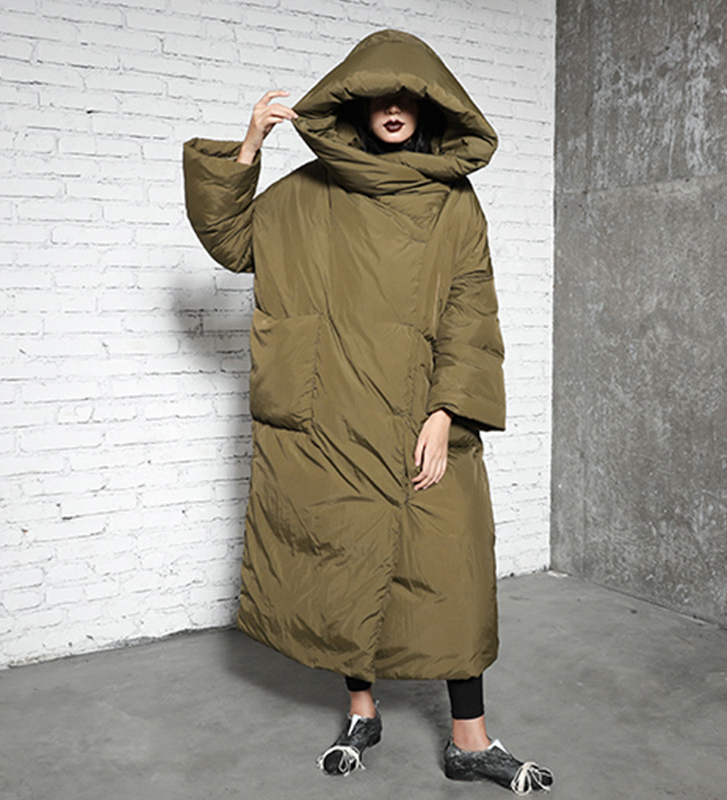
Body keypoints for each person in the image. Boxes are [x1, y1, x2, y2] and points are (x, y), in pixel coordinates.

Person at [183, 29, 553, 795]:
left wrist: (448, 412)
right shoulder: (306, 192)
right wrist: (249, 146)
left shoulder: (452, 201)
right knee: (343, 561)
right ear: (353, 105)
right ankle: (361, 712)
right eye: (377, 96)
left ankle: (470, 740)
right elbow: (232, 242)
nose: (392, 108)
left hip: (422, 412)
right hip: (332, 415)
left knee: (450, 572)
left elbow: (471, 310)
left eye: (406, 98)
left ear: (429, 108)